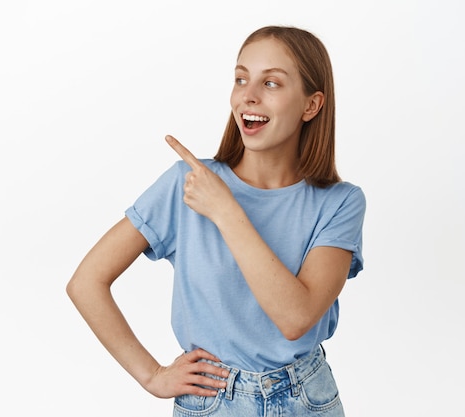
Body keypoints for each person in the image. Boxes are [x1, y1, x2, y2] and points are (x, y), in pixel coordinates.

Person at [67, 25, 365, 417]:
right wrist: (151, 375)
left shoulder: (340, 203)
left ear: (311, 105)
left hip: (306, 399)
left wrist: (226, 211)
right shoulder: (186, 184)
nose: (248, 95)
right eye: (241, 79)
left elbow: (295, 317)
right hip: (212, 400)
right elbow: (86, 282)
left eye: (271, 83)